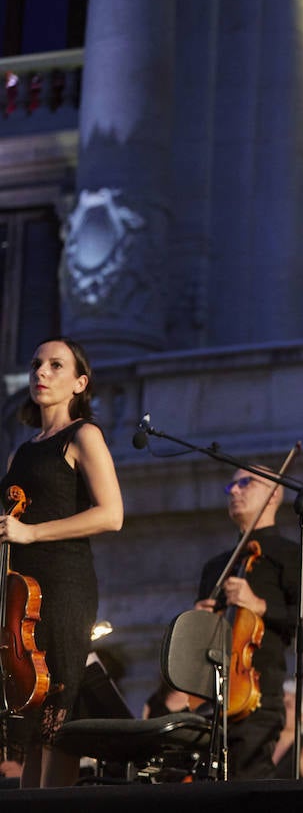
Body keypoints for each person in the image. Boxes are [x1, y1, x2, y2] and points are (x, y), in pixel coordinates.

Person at [0, 337, 124, 788]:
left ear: (79, 383)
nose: (41, 373)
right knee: (28, 716)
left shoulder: (83, 435)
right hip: (20, 592)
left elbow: (111, 515)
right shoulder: (22, 452)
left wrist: (30, 532)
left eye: (56, 365)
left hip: (64, 583)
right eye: (36, 364)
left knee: (57, 704)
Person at [195, 465, 303, 779]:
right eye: (231, 487)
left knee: (250, 784)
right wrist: (197, 620)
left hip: (257, 694)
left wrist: (259, 605)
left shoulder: (292, 557)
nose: (234, 491)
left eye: (245, 483)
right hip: (210, 700)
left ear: (274, 494)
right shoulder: (216, 566)